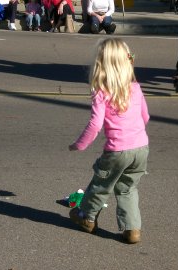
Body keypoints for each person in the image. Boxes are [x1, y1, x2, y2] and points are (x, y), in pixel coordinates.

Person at [69, 38, 150, 244]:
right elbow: (145, 117)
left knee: (101, 185)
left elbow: (95, 125)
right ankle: (132, 229)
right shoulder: (135, 87)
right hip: (141, 147)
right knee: (128, 188)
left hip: (117, 151)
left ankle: (86, 217)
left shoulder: (101, 91)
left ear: (101, 64)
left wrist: (79, 144)